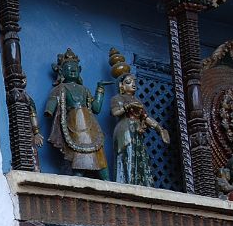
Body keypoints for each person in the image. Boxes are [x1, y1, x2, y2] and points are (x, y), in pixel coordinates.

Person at [45, 48, 108, 179]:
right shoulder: (61, 88)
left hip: (90, 124)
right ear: (62, 71)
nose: (72, 70)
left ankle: (106, 179)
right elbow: (53, 101)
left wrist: (100, 89)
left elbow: (96, 108)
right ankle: (78, 176)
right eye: (69, 68)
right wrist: (49, 111)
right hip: (74, 124)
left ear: (79, 70)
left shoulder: (84, 90)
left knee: (98, 152)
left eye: (75, 68)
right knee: (78, 154)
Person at [110, 71, 169, 186]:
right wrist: (128, 106)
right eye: (128, 82)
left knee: (139, 155)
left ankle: (139, 183)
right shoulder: (117, 98)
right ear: (121, 85)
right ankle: (127, 181)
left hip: (137, 130)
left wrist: (159, 128)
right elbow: (115, 112)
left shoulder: (138, 101)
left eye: (134, 82)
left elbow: (146, 117)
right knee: (128, 153)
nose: (133, 84)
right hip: (125, 129)